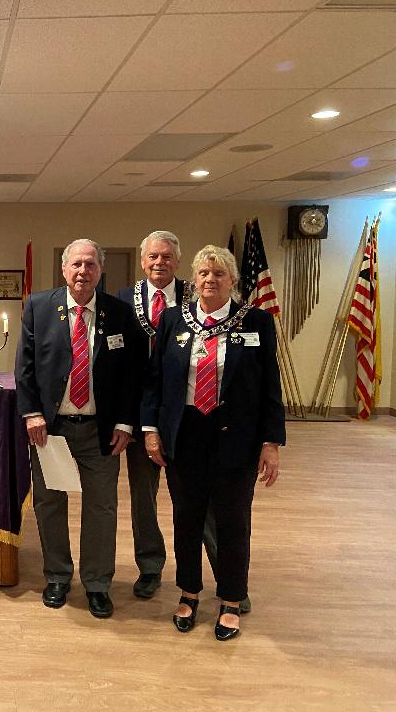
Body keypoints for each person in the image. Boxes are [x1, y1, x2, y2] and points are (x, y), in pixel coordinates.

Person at [141, 245, 283, 641]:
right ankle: (188, 592)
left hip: (235, 437)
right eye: (203, 273)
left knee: (233, 521)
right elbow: (156, 382)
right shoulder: (173, 320)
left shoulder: (255, 322)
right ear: (195, 278)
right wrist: (151, 430)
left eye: (218, 274)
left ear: (233, 281)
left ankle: (232, 600)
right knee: (186, 519)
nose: (209, 280)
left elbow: (271, 385)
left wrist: (271, 442)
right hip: (185, 435)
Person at [15, 239, 141, 619]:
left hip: (101, 431)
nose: (83, 271)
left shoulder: (119, 313)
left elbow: (130, 376)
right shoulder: (39, 307)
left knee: (101, 507)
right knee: (50, 504)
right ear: (64, 269)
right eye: (76, 264)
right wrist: (32, 413)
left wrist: (124, 421)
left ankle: (98, 585)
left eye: (90, 265)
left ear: (100, 271)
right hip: (51, 429)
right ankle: (57, 576)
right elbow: (25, 367)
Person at [115, 231, 187, 599]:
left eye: (167, 257)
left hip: (186, 415)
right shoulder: (124, 300)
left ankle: (224, 571)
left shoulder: (196, 296)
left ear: (178, 261)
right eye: (153, 257)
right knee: (143, 497)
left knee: (196, 498)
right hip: (139, 414)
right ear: (143, 262)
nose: (160, 263)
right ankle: (150, 566)